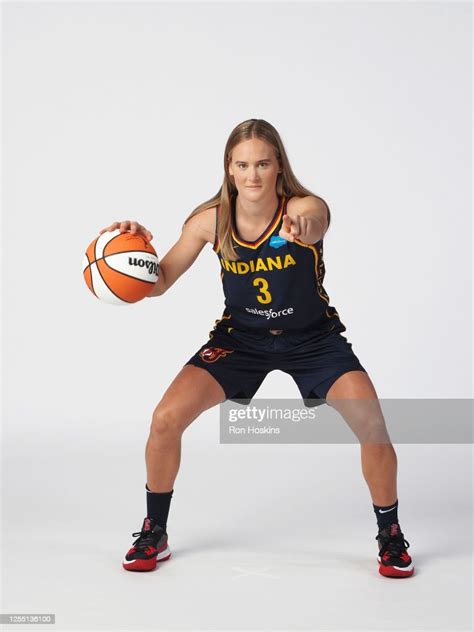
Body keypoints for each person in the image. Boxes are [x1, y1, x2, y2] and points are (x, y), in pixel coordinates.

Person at [99, 118, 414, 578]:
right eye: (243, 165)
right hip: (240, 341)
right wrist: (132, 250)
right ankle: (155, 531)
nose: (252, 175)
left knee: (373, 426)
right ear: (228, 168)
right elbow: (160, 282)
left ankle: (390, 534)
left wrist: (306, 225)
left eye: (263, 164)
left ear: (278, 166)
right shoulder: (210, 220)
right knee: (164, 420)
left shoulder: (303, 206)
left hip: (313, 339)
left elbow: (317, 217)